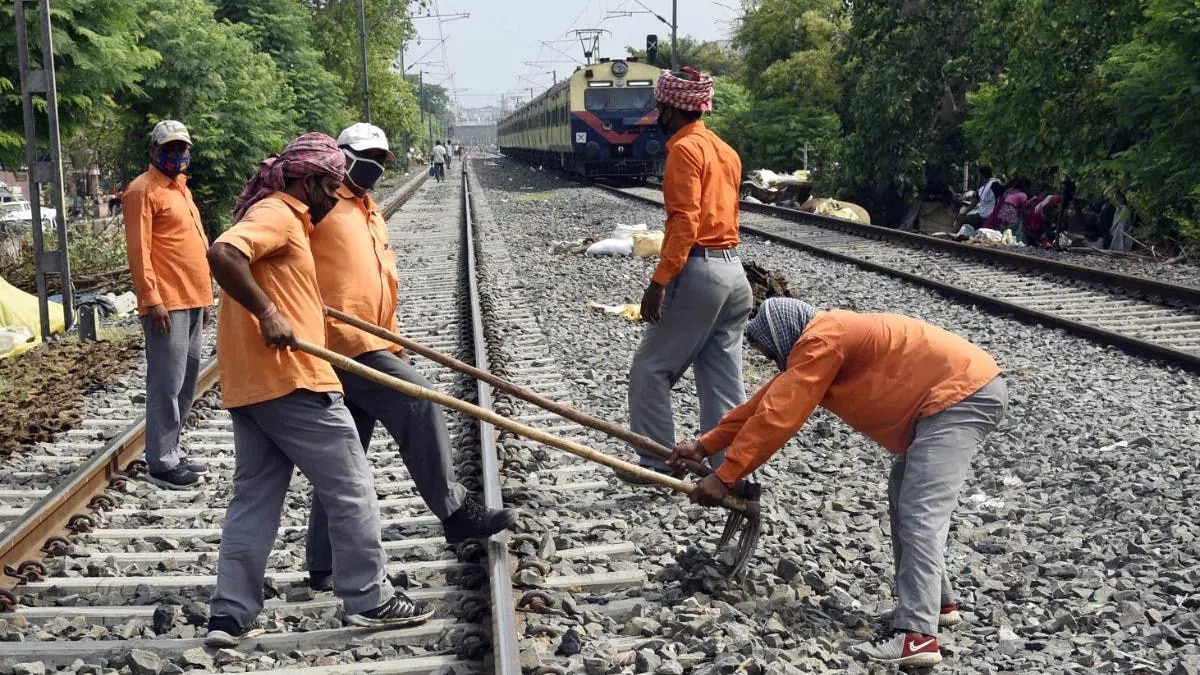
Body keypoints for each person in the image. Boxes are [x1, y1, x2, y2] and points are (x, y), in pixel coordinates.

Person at [668, 298, 1007, 668]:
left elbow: (779, 418)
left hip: (960, 396)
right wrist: (704, 446)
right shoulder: (821, 340)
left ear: (782, 337)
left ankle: (916, 636)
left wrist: (725, 476)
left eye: (769, 352)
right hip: (955, 393)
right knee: (905, 497)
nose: (772, 360)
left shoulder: (822, 340)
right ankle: (937, 604)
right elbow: (763, 405)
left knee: (921, 513)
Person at [204, 132, 433, 647]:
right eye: (329, 186)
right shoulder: (278, 213)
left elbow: (273, 278)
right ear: (306, 181)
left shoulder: (288, 219)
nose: (334, 196)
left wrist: (302, 305)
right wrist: (269, 313)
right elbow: (223, 253)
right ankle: (369, 597)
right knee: (352, 487)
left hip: (251, 386)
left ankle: (229, 613)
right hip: (296, 382)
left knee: (254, 500)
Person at [303, 123, 518, 591]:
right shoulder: (319, 201)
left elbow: (378, 278)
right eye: (366, 158)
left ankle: (324, 562)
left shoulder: (366, 207)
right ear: (341, 156)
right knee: (420, 401)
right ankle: (454, 510)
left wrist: (393, 338)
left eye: (381, 160)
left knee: (345, 459)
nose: (375, 167)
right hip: (339, 341)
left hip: (372, 338)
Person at [622, 66, 753, 483]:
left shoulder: (684, 149)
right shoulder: (725, 150)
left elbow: (684, 223)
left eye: (660, 106)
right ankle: (732, 470)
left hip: (701, 273)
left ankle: (656, 464)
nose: (657, 113)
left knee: (650, 369)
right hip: (735, 274)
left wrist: (658, 282)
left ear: (670, 109)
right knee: (722, 379)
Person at [121, 120, 213, 489]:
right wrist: (151, 298)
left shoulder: (180, 189)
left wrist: (206, 296)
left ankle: (171, 449)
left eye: (181, 148)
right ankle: (160, 464)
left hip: (192, 298)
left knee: (187, 381)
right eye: (169, 148)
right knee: (166, 384)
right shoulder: (142, 191)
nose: (176, 155)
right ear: (153, 150)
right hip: (167, 303)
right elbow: (139, 250)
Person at [951, 166, 1000, 231]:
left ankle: (951, 234)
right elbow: (974, 202)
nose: (979, 178)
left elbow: (1001, 198)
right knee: (962, 220)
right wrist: (963, 214)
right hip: (981, 215)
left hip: (989, 217)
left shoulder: (995, 185)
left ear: (982, 176)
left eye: (980, 176)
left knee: (962, 221)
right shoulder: (982, 188)